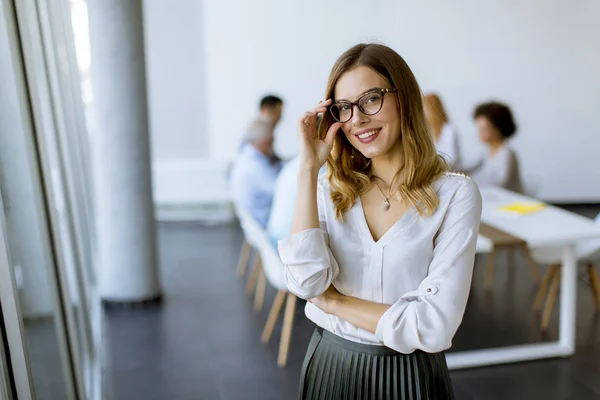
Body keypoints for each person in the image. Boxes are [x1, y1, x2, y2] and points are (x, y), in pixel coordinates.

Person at [278, 43, 482, 399]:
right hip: (332, 364)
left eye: (371, 98)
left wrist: (336, 302)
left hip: (411, 373)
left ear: (404, 98)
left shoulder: (455, 194)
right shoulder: (329, 186)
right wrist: (309, 169)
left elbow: (434, 328)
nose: (357, 118)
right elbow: (305, 281)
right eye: (344, 107)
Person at [230, 118, 282, 227]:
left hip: (256, 220)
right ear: (264, 142)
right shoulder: (254, 167)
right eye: (271, 141)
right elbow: (280, 190)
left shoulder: (246, 157)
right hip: (265, 223)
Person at [463, 101, 523, 193]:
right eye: (479, 128)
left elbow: (500, 182)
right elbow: (469, 166)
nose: (479, 133)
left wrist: (471, 178)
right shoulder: (486, 151)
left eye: (484, 128)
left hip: (511, 201)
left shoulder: (507, 153)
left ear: (497, 128)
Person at [423, 93, 462, 169]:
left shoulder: (449, 130)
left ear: (433, 110)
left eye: (425, 109)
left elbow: (452, 159)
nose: (423, 114)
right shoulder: (430, 134)